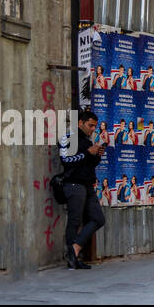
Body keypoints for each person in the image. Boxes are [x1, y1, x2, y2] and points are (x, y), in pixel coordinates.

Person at [59, 110, 106, 269]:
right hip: (74, 185)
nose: (93, 129)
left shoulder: (87, 140)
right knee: (75, 221)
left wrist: (97, 155)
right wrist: (87, 152)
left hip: (87, 184)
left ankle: (75, 248)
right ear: (80, 123)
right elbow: (66, 160)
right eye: (90, 125)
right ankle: (74, 259)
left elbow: (89, 164)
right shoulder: (68, 137)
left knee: (98, 218)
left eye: (95, 126)